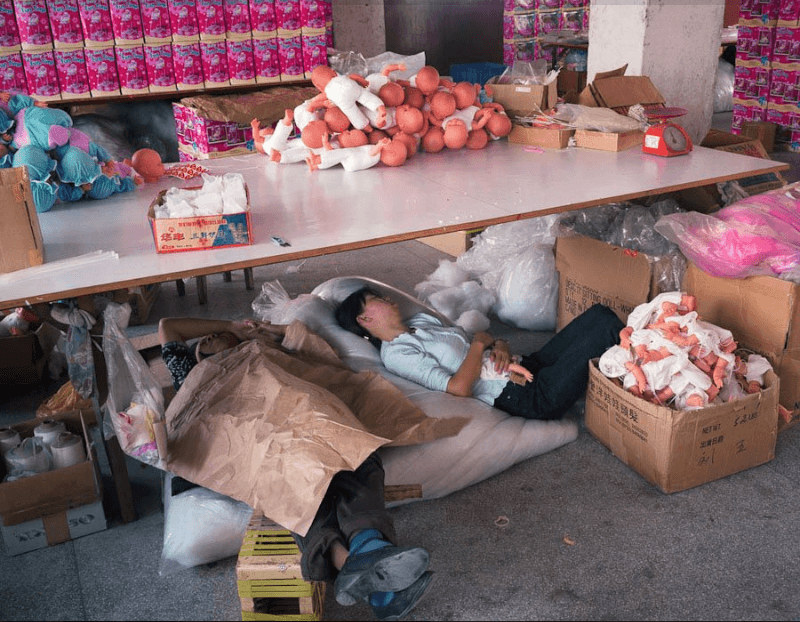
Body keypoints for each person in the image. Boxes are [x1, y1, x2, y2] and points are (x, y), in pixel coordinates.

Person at [158, 316, 434, 621]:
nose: (208, 338)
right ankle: (370, 566)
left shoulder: (266, 347)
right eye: (203, 341)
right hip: (250, 432)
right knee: (295, 478)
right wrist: (228, 325)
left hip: (304, 411)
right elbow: (168, 326)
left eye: (215, 334)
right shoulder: (190, 373)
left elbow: (312, 348)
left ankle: (363, 559)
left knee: (357, 451)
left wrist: (258, 331)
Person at [335, 288, 625, 421]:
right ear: (364, 321)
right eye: (375, 300)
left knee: (600, 314)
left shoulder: (419, 322)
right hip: (526, 397)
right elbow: (458, 388)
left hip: (523, 364)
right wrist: (479, 344)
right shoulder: (397, 354)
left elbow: (487, 344)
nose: (386, 299)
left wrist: (499, 345)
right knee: (608, 330)